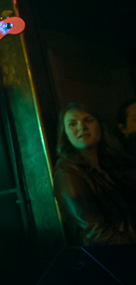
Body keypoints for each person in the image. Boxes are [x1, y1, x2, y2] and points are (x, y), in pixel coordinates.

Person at [53, 102, 136, 246]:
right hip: (109, 258)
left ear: (100, 126)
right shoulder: (67, 171)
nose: (81, 127)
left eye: (88, 120)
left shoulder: (111, 163)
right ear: (65, 133)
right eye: (72, 124)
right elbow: (96, 233)